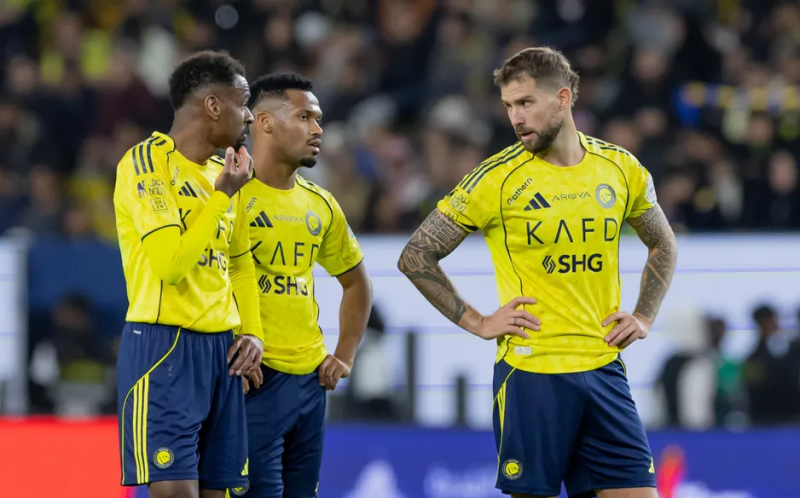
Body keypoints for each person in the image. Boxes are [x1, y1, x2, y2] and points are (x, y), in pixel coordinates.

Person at [398, 46, 678, 498]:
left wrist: (644, 315)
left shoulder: (619, 168)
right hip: (531, 375)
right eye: (509, 105)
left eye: (526, 102)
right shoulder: (496, 179)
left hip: (605, 368)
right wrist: (478, 322)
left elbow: (663, 242)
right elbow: (416, 255)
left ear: (562, 98)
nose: (516, 117)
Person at [114, 51, 265, 498]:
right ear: (213, 106)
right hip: (164, 348)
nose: (250, 117)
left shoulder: (226, 175)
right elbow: (171, 265)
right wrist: (221, 198)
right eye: (243, 103)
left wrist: (252, 333)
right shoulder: (146, 165)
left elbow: (239, 262)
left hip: (222, 352)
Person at [233, 72, 372, 497]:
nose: (317, 129)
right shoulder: (227, 192)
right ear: (264, 122)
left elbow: (357, 284)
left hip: (310, 383)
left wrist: (344, 355)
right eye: (304, 117)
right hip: (252, 380)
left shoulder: (320, 204)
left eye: (318, 119)